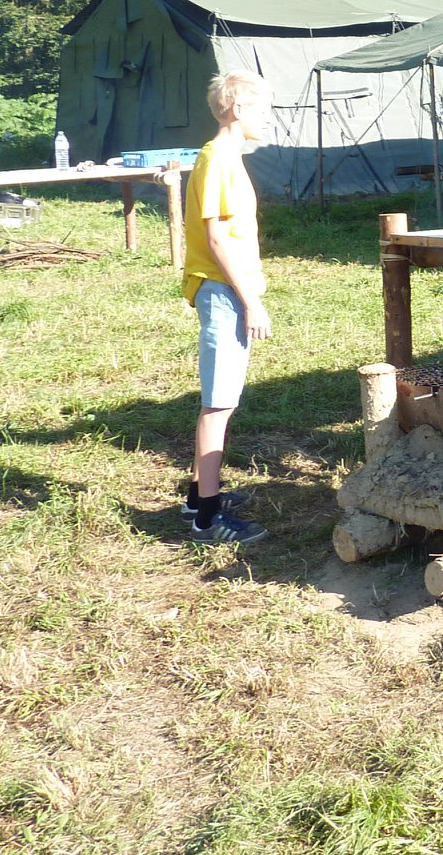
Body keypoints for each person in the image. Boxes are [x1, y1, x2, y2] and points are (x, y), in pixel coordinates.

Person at [179, 70, 274, 544]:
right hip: (223, 291)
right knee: (219, 404)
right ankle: (208, 518)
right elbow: (216, 238)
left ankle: (200, 494)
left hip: (225, 290)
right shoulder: (216, 159)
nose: (266, 119)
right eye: (260, 110)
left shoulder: (228, 159)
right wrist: (250, 302)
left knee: (223, 401)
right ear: (236, 109)